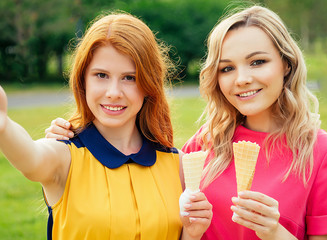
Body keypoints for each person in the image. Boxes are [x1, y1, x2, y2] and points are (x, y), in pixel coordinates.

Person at [45, 5, 327, 240]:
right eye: (226, 68)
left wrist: (276, 232)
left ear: (286, 64)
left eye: (258, 62)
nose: (242, 79)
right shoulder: (202, 147)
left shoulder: (326, 155)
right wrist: (73, 139)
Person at [0, 12, 212, 240]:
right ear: (83, 80)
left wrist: (191, 234)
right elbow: (31, 158)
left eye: (129, 78)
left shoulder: (176, 163)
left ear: (149, 84)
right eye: (101, 75)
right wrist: (3, 126)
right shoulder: (64, 154)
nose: (113, 93)